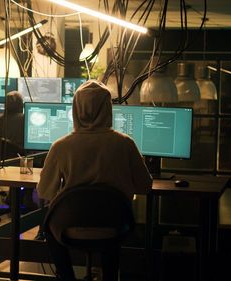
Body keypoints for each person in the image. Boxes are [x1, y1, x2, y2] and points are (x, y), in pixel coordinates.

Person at [36, 80, 152, 280]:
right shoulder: (125, 143)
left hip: (68, 229)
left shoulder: (60, 146)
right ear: (108, 108)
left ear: (75, 108)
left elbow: (44, 191)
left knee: (47, 226)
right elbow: (145, 186)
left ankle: (66, 276)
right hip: (115, 228)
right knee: (113, 227)